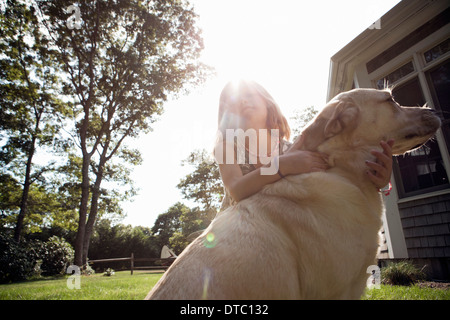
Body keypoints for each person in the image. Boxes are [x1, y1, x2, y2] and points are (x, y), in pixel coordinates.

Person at [214, 80, 393, 210]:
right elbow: (236, 190)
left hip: (279, 230)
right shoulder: (227, 147)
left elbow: (336, 176)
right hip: (233, 235)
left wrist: (378, 182)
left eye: (248, 95)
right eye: (233, 100)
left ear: (267, 103)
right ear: (226, 114)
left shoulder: (294, 148)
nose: (243, 101)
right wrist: (284, 164)